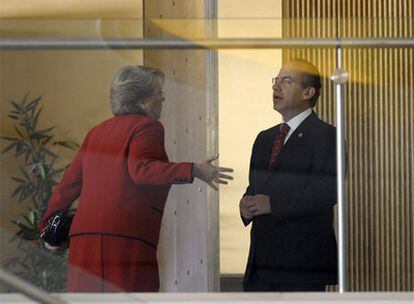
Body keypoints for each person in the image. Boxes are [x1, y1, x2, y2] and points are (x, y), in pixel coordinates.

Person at [40, 65, 233, 292]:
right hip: (126, 241)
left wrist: (48, 230)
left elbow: (68, 185)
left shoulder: (96, 132)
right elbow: (142, 170)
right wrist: (194, 170)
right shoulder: (147, 127)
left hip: (85, 241)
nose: (163, 97)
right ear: (142, 101)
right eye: (158, 92)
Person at [239, 59, 338, 292]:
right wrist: (246, 204)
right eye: (276, 80)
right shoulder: (264, 138)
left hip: (301, 264)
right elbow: (256, 187)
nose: (276, 87)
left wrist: (273, 204)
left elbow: (327, 189)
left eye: (286, 81)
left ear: (308, 92)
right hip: (261, 263)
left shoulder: (326, 135)